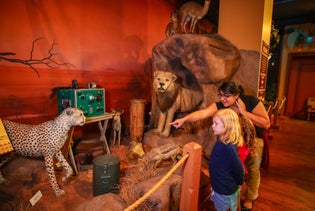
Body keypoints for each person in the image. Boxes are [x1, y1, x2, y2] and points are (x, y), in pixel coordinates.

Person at [170, 81, 270, 210]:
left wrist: (244, 112)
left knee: (252, 169)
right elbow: (202, 113)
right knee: (234, 168)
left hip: (254, 140)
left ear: (237, 95)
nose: (222, 99)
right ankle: (233, 196)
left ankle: (250, 197)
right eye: (221, 95)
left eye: (226, 96)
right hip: (233, 142)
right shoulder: (221, 105)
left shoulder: (251, 101)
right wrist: (183, 120)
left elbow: (266, 124)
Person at [209, 108, 244, 211]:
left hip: (224, 189)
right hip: (219, 185)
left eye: (216, 123)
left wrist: (240, 181)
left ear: (227, 126)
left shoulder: (228, 147)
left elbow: (237, 167)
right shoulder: (222, 141)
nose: (212, 126)